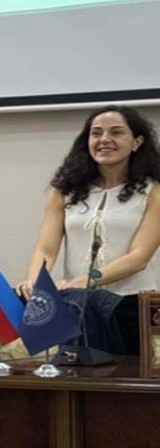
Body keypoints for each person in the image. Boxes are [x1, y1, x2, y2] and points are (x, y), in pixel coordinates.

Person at [17, 105, 160, 352]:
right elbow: (46, 249)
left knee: (127, 372)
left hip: (130, 303)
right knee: (76, 368)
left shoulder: (154, 191)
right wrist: (35, 282)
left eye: (116, 132)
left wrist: (84, 280)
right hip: (79, 304)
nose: (105, 139)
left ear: (136, 142)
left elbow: (139, 257)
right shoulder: (64, 190)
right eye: (96, 133)